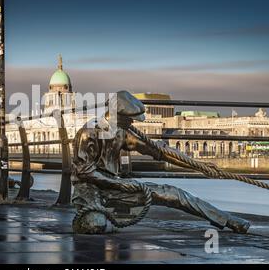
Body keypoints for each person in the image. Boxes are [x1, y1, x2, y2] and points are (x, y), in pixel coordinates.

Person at [71, 91, 250, 234]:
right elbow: (84, 173)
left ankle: (227, 219)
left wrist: (198, 165)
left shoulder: (122, 133)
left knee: (174, 194)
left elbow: (159, 152)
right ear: (117, 115)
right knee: (94, 226)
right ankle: (99, 216)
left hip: (116, 187)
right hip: (89, 189)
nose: (133, 122)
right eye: (130, 118)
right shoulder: (89, 133)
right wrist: (121, 184)